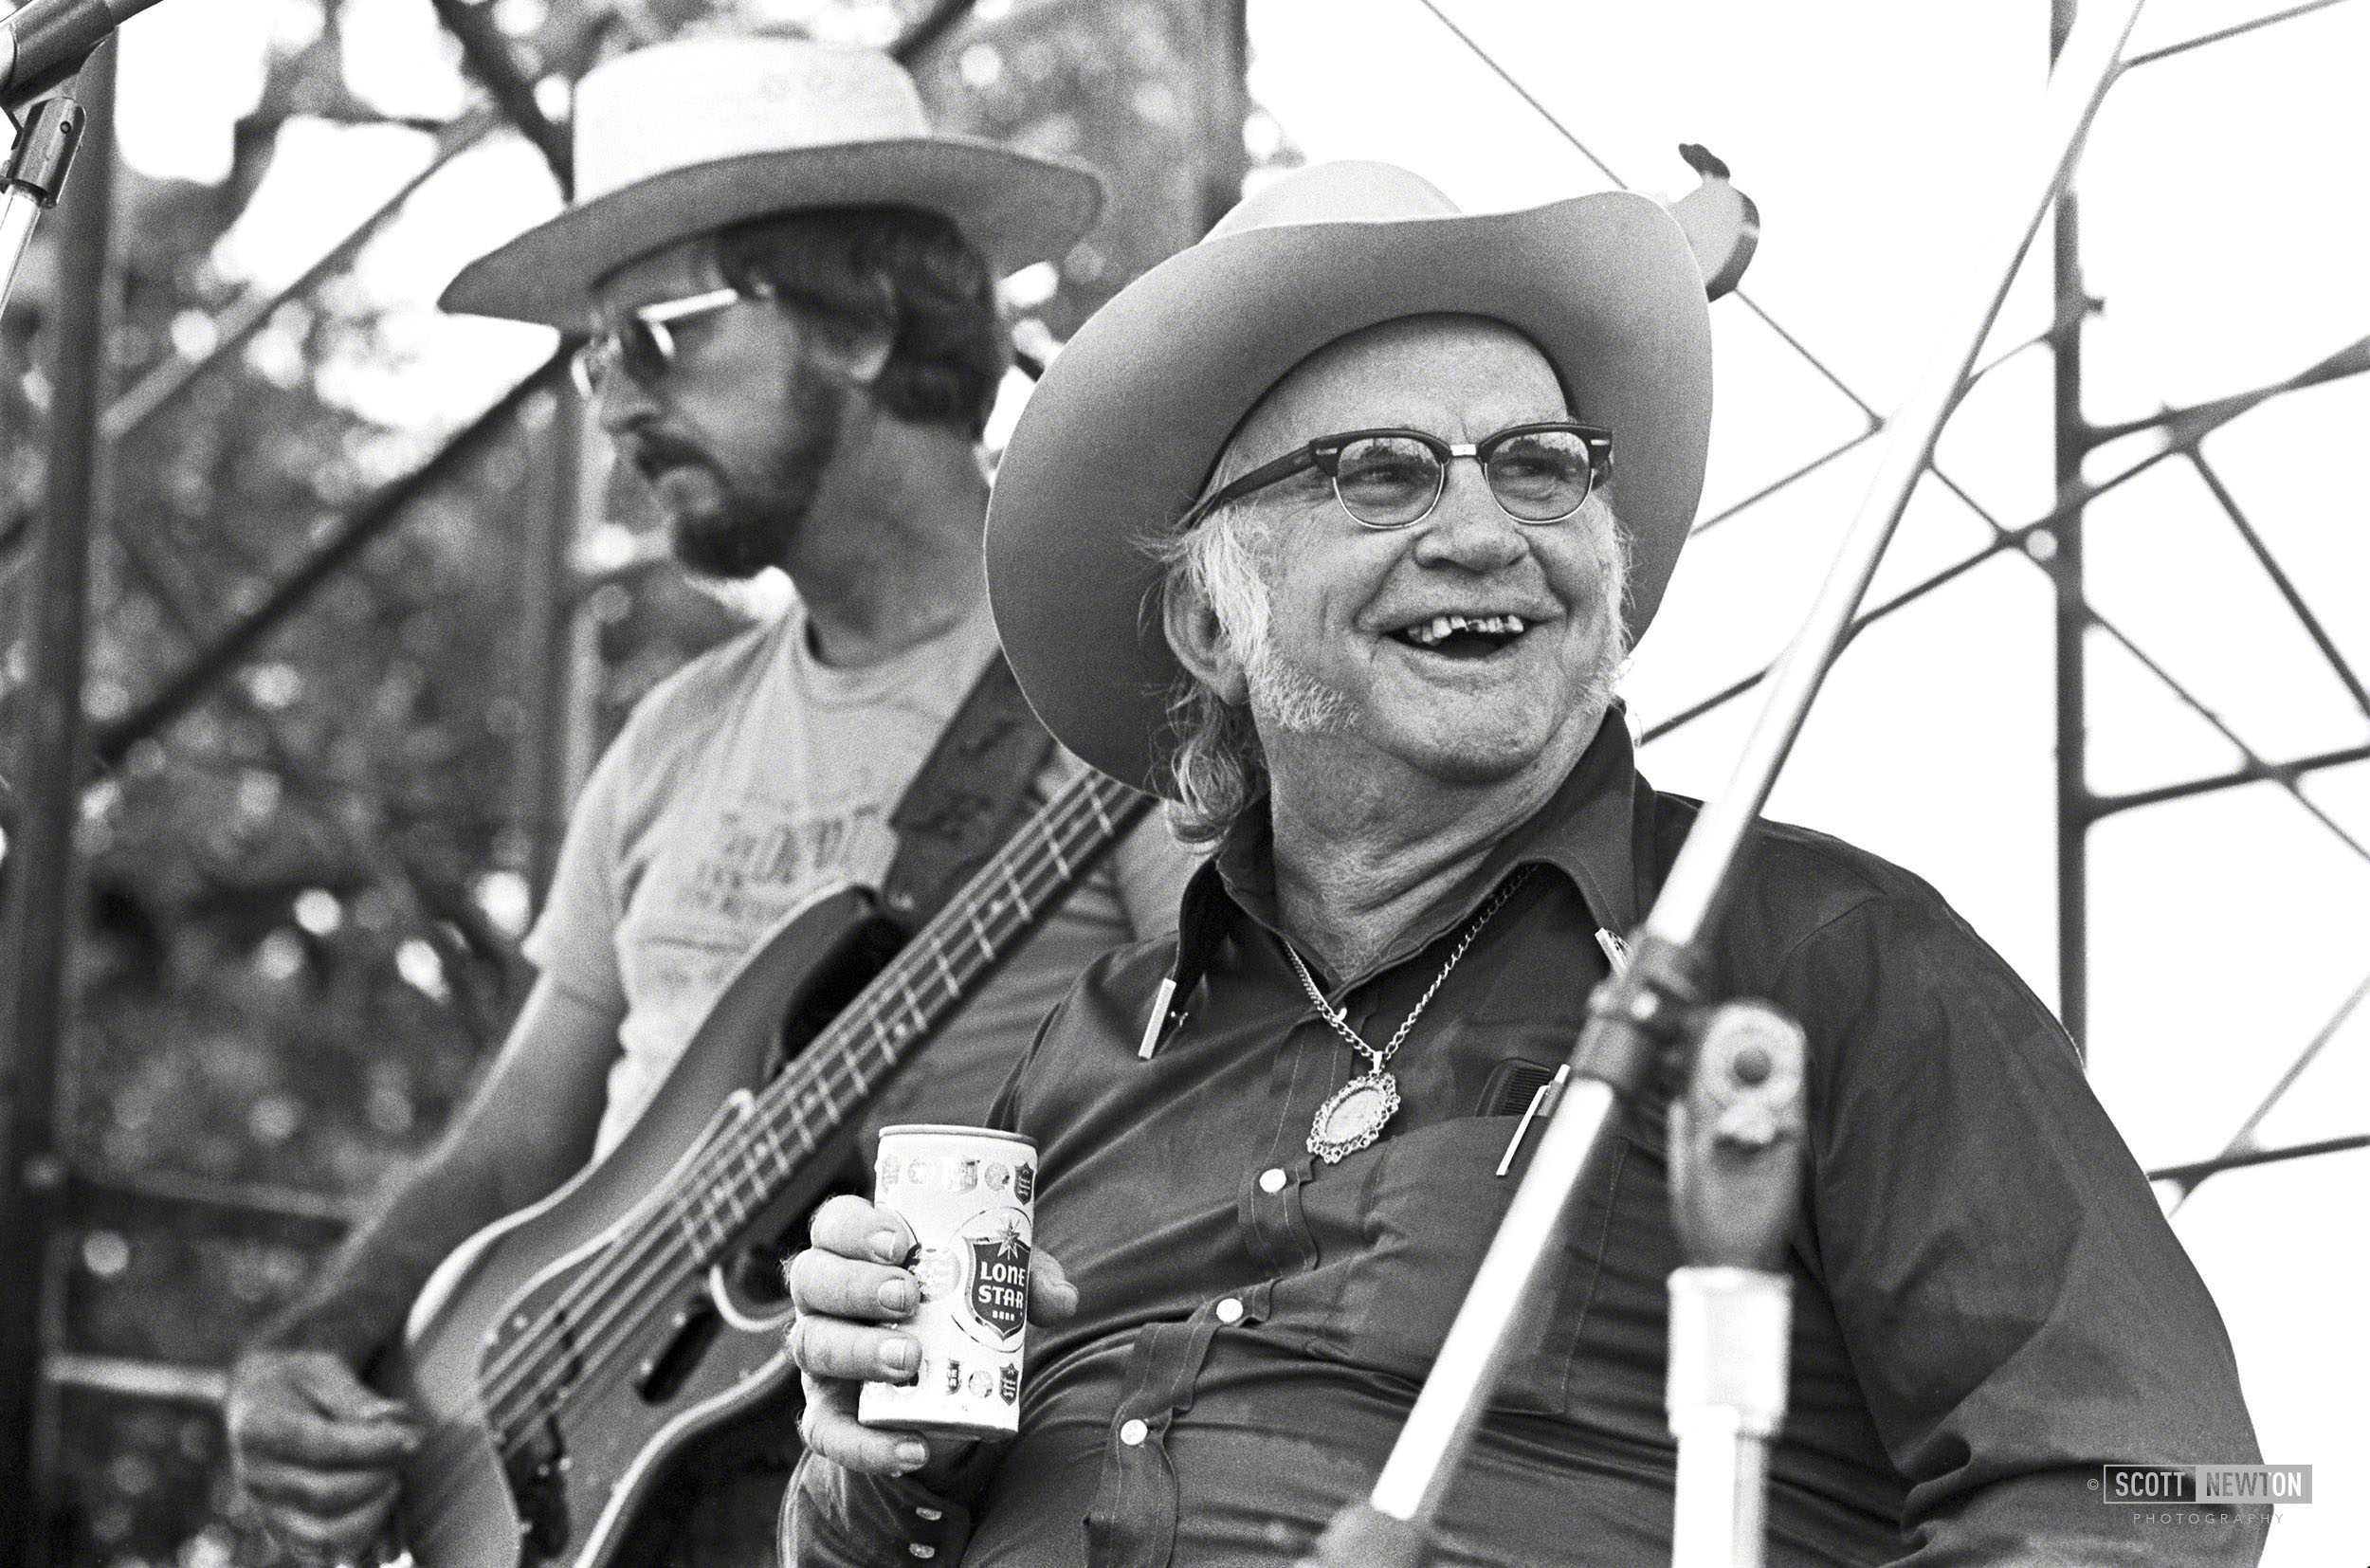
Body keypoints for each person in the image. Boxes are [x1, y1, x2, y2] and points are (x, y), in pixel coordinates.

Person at [777, 161, 2270, 1566]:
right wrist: (866, 1467)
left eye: (1542, 467)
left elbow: (2196, 1481)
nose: (1487, 530)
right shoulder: (1087, 1049)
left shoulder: (1833, 955)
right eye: (1382, 474)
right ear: (1213, 624)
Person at [223, 37, 1196, 1567]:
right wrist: (317, 1344)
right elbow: (508, 1145)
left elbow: (1223, 1119)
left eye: (652, 339)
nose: (608, 404)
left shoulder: (1115, 687)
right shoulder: (674, 733)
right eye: (589, 356)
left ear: (866, 322)